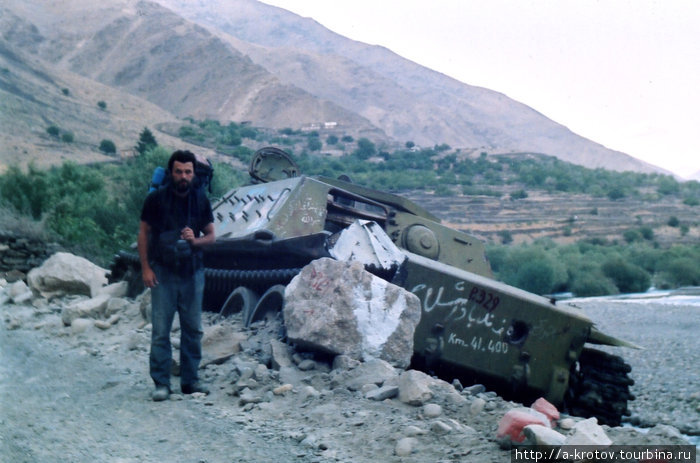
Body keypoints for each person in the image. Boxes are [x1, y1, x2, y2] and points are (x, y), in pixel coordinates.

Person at [137, 150, 216, 401]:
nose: (183, 176)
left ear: (194, 174)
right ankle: (161, 383)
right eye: (179, 171)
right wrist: (146, 268)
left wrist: (196, 240)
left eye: (188, 172)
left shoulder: (201, 200)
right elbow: (143, 234)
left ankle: (190, 381)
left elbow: (212, 237)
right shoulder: (156, 200)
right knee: (161, 330)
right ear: (171, 173)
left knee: (193, 329)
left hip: (192, 273)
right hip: (163, 272)